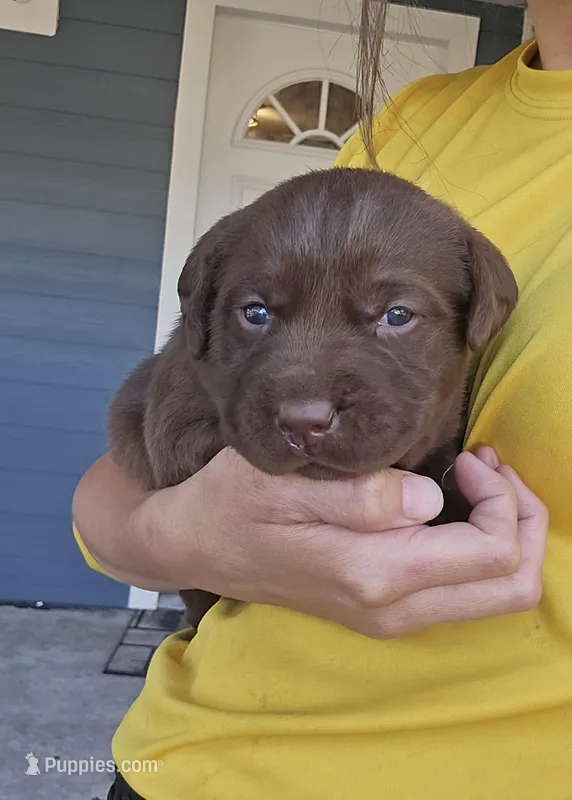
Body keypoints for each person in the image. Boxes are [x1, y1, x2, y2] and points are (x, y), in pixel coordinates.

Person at [72, 0, 572, 797]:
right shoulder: (419, 120)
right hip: (185, 761)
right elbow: (109, 503)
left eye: (396, 317)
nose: (305, 399)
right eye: (258, 314)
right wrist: (181, 537)